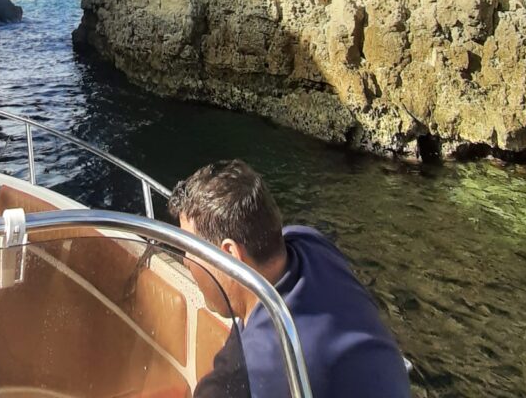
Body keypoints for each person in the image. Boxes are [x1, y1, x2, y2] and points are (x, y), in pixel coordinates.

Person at [170, 160, 410, 398]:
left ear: (230, 253)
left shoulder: (258, 371)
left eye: (191, 249)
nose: (186, 261)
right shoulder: (309, 242)